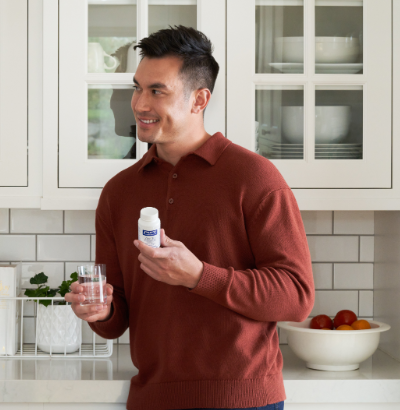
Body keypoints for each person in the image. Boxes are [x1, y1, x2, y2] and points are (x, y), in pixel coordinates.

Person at [65, 26, 314, 410]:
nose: (139, 103)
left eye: (157, 91)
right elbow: (116, 320)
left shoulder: (254, 177)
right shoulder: (119, 191)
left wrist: (200, 276)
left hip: (242, 401)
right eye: (137, 88)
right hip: (153, 399)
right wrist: (100, 309)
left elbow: (296, 296)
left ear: (200, 99)